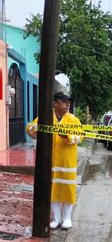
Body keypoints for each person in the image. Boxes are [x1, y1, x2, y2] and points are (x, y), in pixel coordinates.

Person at [26, 92, 82, 229]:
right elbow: (30, 129)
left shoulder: (73, 119)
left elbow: (80, 137)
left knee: (67, 189)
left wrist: (67, 137)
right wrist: (37, 130)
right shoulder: (46, 117)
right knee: (54, 190)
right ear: (55, 103)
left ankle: (67, 218)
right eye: (64, 101)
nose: (67, 104)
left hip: (67, 161)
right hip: (50, 160)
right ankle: (56, 218)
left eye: (68, 102)